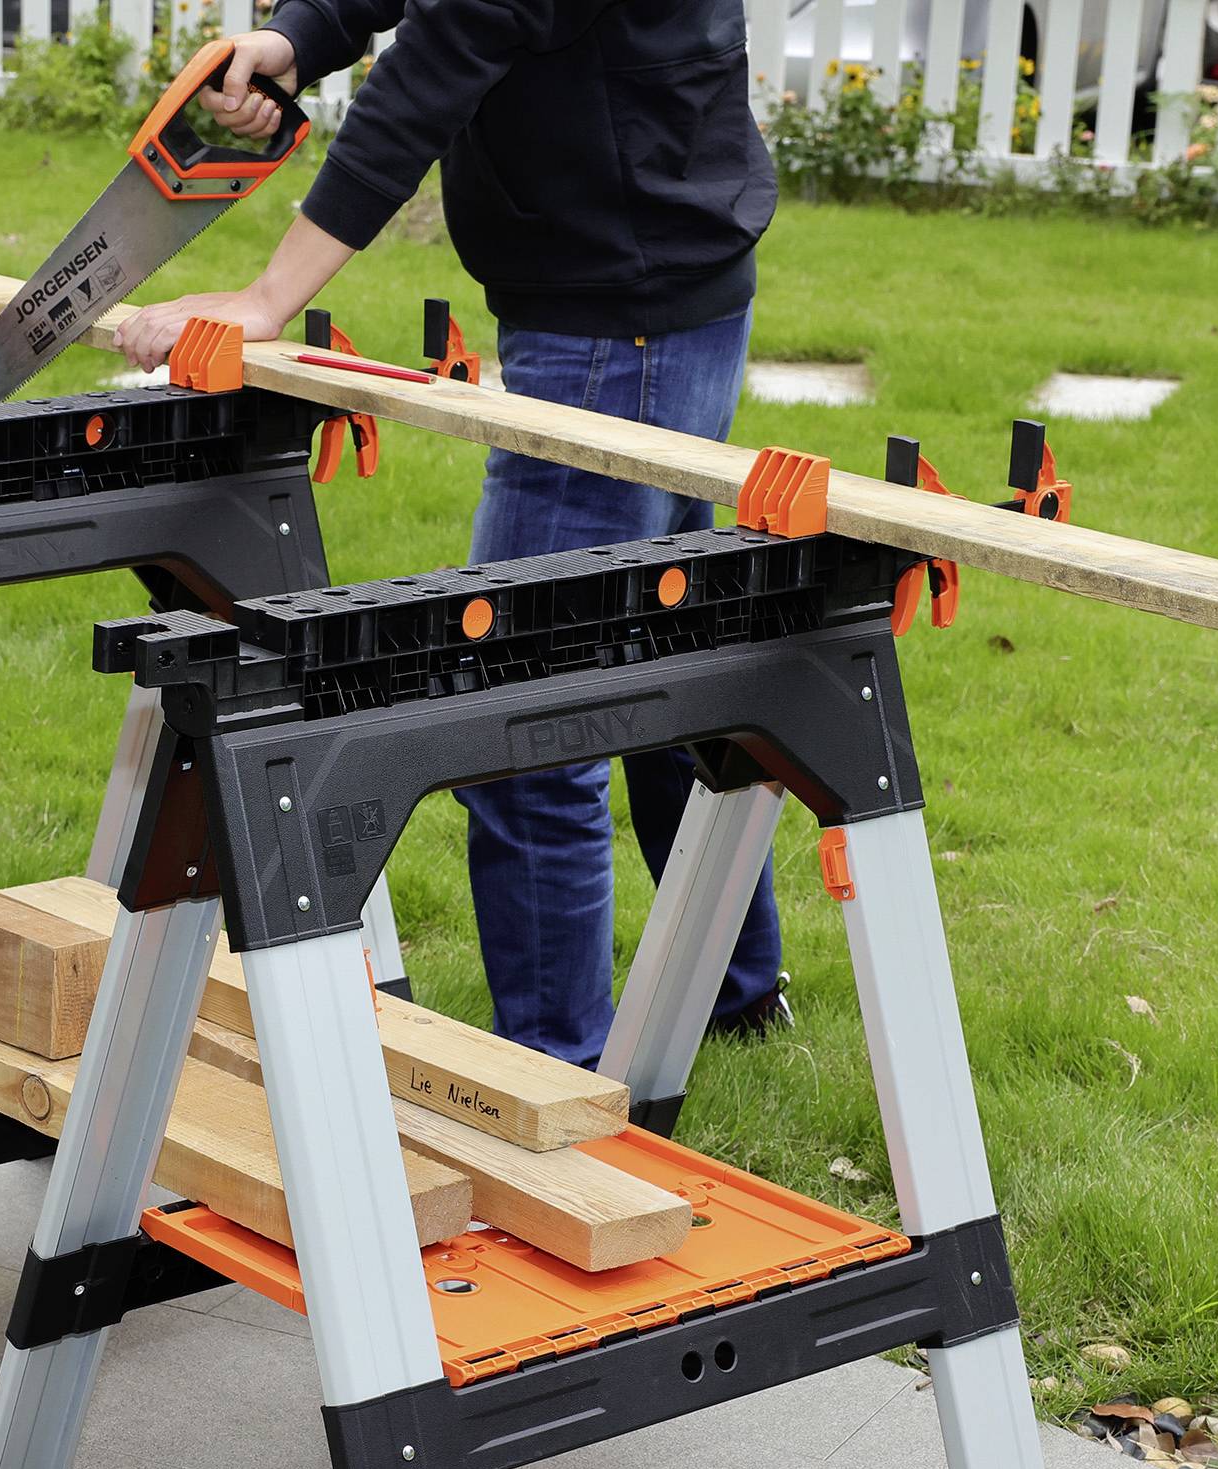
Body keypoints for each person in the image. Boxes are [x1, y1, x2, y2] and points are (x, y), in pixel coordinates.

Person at [119, 0, 785, 1064]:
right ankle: (736, 988)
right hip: (644, 277)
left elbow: (420, 84)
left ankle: (550, 1078)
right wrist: (298, 36)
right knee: (662, 637)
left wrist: (264, 295)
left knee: (522, 707)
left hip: (622, 318)